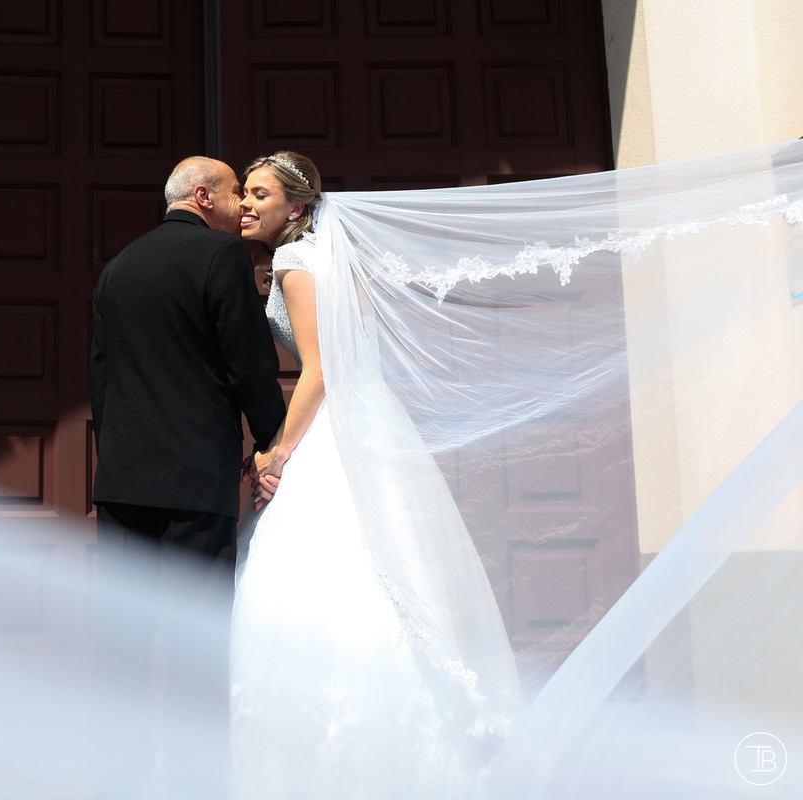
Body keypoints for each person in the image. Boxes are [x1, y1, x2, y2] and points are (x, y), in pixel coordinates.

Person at [229, 151, 522, 799]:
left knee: (321, 578)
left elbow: (322, 370)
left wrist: (276, 452)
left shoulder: (296, 259)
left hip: (334, 430)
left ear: (297, 208)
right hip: (372, 425)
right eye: (243, 194)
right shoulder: (338, 258)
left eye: (259, 194)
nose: (246, 205)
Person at [89, 156, 287, 799]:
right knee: (198, 648)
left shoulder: (118, 267)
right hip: (192, 484)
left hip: (122, 485)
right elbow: (248, 362)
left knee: (119, 648)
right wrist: (273, 441)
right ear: (204, 197)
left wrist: (115, 458)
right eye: (234, 192)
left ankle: (118, 781)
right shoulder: (220, 259)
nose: (241, 205)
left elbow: (101, 378)